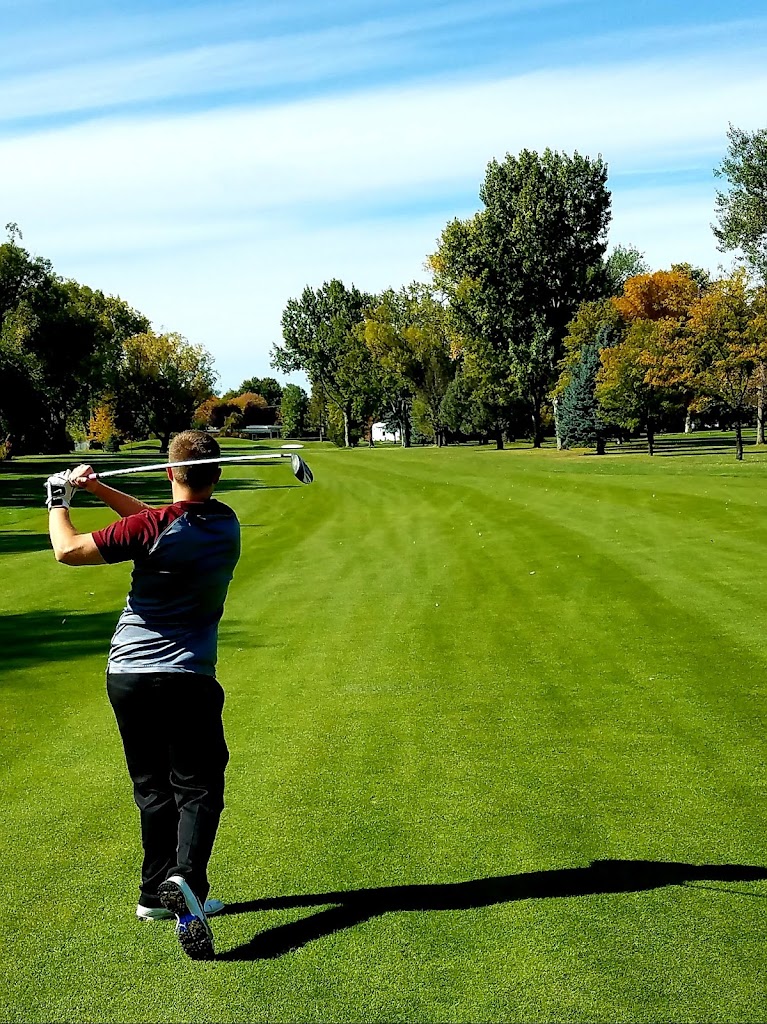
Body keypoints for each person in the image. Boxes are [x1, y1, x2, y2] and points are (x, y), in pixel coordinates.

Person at [45, 430, 241, 961]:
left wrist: (58, 501)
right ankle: (186, 882)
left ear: (168, 472)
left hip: (128, 674)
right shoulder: (225, 523)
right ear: (216, 475)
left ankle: (154, 894)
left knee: (152, 785)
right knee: (198, 785)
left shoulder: (151, 527)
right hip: (187, 676)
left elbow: (67, 549)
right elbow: (155, 519)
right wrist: (102, 489)